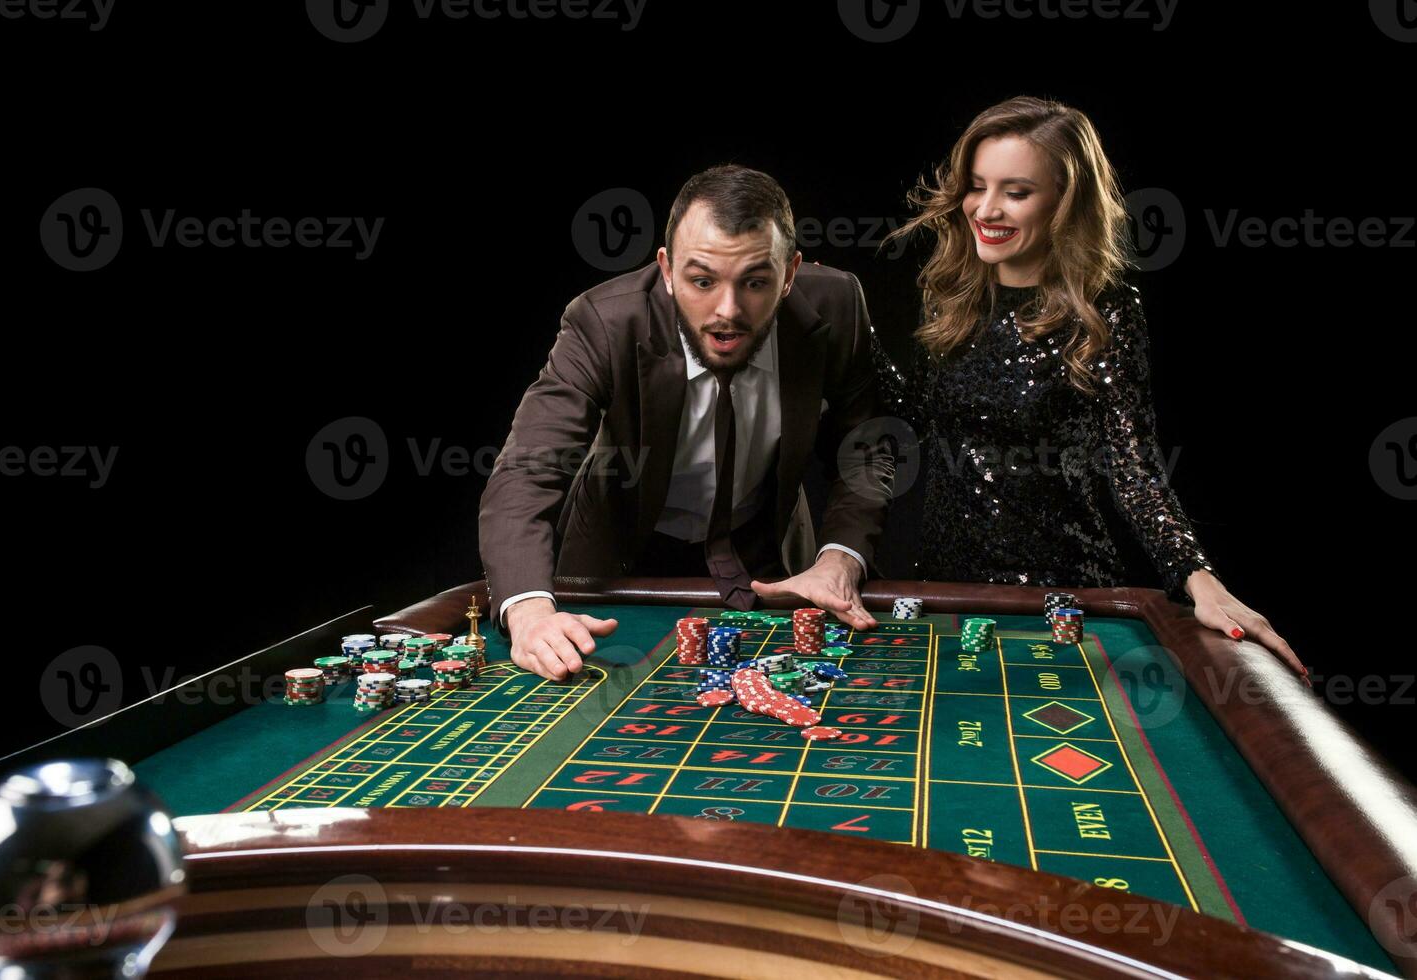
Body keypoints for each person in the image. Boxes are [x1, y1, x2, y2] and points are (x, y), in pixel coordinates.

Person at [873, 95, 1306, 679]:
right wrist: (845, 328)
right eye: (977, 186)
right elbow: (915, 417)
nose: (986, 208)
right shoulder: (951, 296)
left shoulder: (1107, 311)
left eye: (1016, 191)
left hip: (1065, 596)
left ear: (1064, 201)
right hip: (947, 588)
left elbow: (1132, 466)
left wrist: (1196, 576)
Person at [480, 165, 895, 681]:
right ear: (668, 270)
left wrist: (841, 557)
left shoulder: (837, 306)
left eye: (755, 282)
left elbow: (865, 450)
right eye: (702, 280)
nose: (728, 310)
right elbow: (527, 470)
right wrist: (528, 610)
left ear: (789, 274)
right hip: (619, 565)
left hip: (766, 556)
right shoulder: (604, 323)